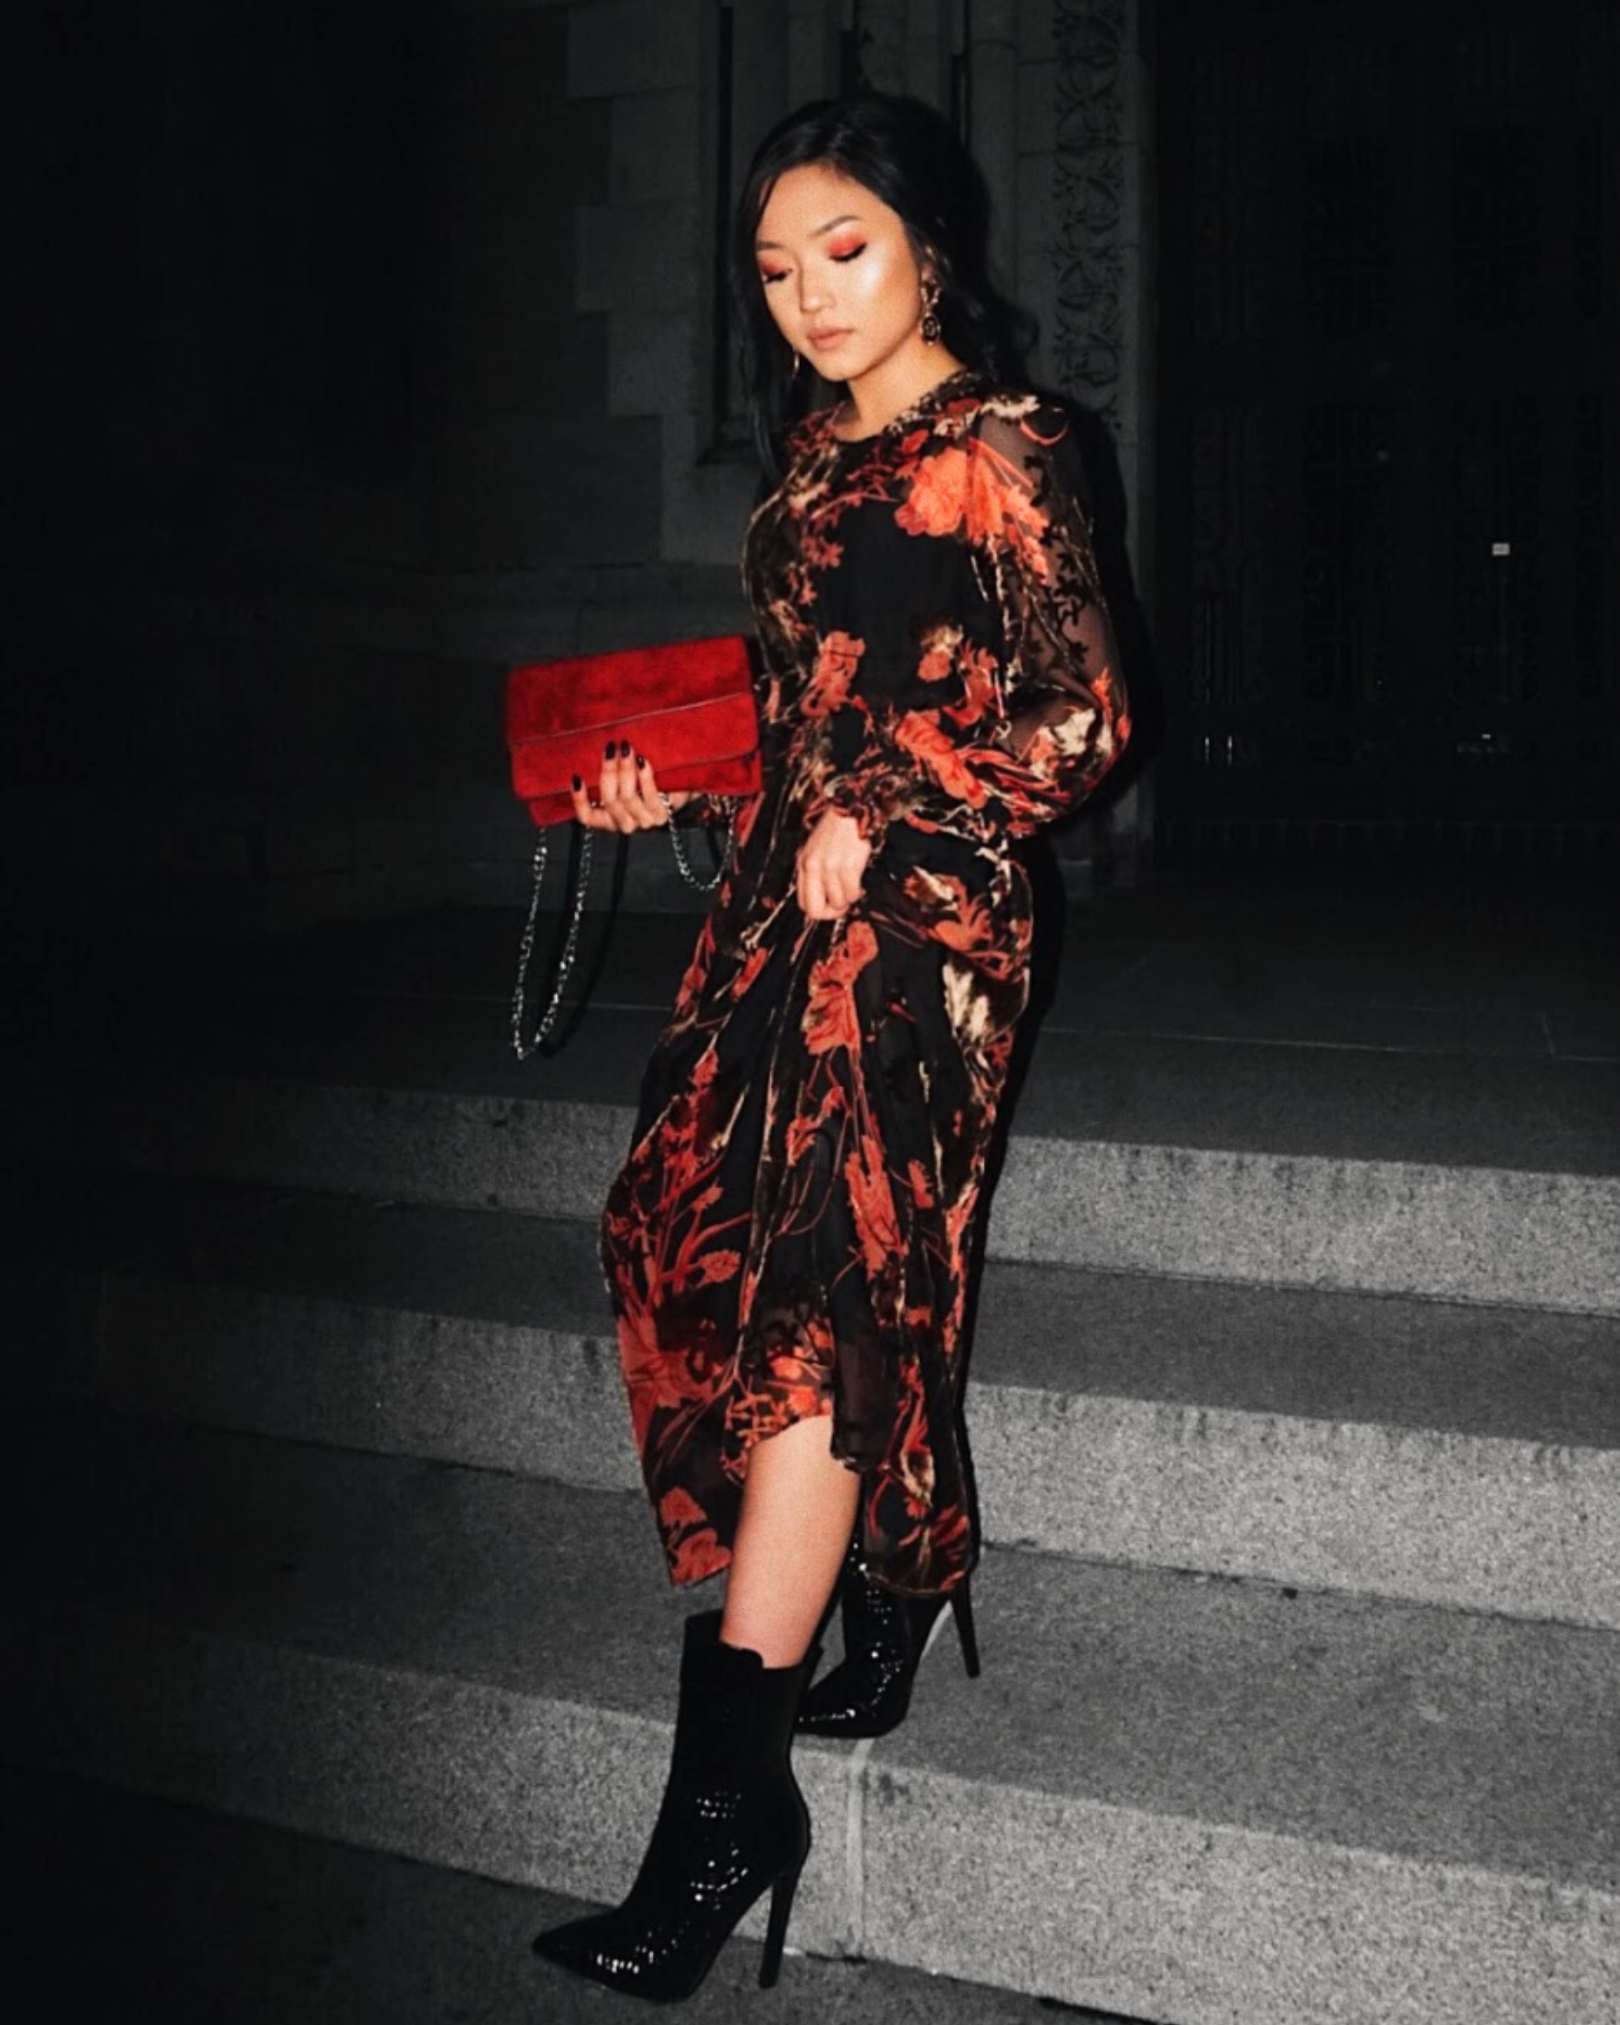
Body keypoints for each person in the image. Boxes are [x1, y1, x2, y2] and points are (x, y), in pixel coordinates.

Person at [532, 92, 1129, 2004]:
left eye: (843, 251)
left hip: (928, 939)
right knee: (676, 1232)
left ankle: (720, 1821)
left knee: (810, 1310)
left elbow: (1085, 720)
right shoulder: (804, 471)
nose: (807, 297)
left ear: (931, 244)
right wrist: (675, 795)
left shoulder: (1011, 448)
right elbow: (794, 743)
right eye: (778, 270)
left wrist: (891, 785)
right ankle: (906, 1562)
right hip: (778, 927)